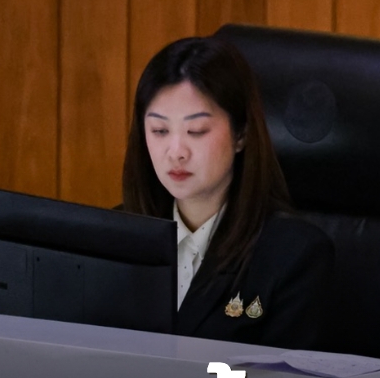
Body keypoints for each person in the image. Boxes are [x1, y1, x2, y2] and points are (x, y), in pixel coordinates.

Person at [122, 37, 333, 350]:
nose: (176, 152)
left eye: (196, 131)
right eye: (160, 131)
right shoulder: (115, 237)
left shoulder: (295, 256)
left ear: (241, 134)